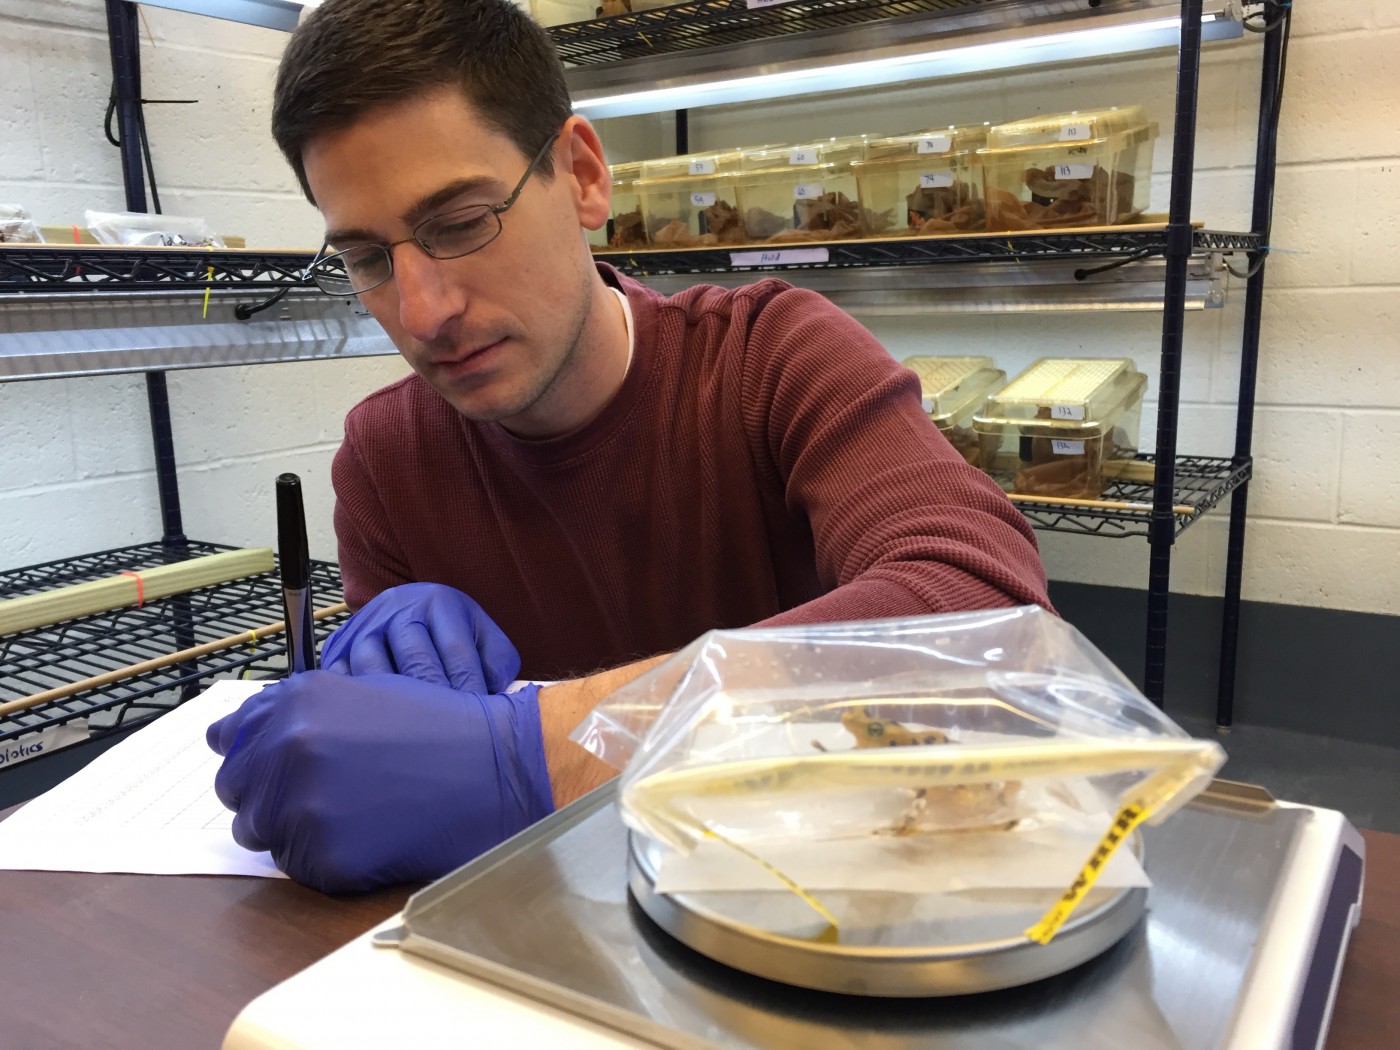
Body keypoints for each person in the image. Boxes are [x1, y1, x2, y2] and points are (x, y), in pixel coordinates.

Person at [207, 0, 1053, 894]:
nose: (424, 313)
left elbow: (988, 614)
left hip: (821, 914)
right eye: (369, 259)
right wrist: (361, 698)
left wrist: (534, 751)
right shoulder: (386, 455)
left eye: (459, 224)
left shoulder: (771, 358)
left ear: (581, 176)